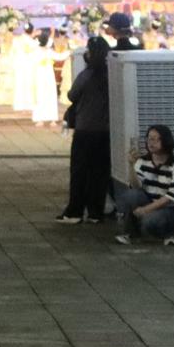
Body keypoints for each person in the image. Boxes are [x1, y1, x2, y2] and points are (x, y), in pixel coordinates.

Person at [55, 35, 113, 224]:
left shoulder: (86, 75)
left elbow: (72, 95)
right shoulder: (111, 75)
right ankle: (96, 211)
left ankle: (75, 210)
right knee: (100, 172)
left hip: (85, 129)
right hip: (105, 130)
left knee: (80, 171)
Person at [114, 124, 174, 246]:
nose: (151, 143)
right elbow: (136, 186)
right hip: (151, 201)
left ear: (165, 141)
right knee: (130, 195)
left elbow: (171, 197)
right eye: (149, 139)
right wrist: (131, 165)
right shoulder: (144, 161)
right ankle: (129, 233)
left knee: (150, 221)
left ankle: (171, 232)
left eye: (156, 139)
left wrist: (145, 210)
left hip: (172, 210)